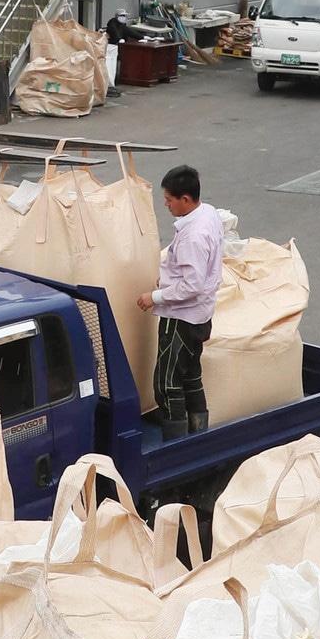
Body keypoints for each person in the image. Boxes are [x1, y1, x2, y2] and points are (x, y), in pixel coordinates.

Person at [137, 165, 224, 438]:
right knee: (190, 374)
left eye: (169, 199)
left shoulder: (193, 236)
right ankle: (198, 433)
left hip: (181, 318)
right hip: (200, 315)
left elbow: (192, 285)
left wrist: (154, 297)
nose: (166, 204)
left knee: (166, 382)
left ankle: (175, 442)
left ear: (185, 199)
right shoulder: (207, 214)